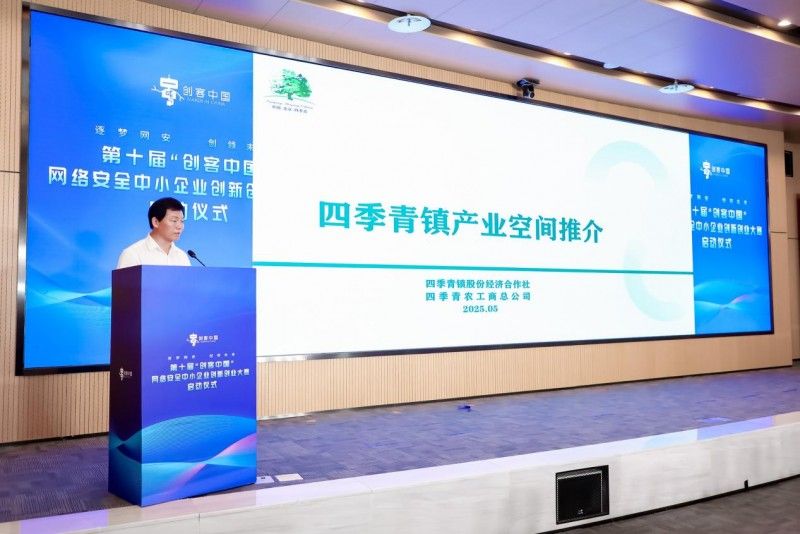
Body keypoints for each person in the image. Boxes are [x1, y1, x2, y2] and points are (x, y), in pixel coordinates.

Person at [116, 197, 191, 269]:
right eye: (174, 220)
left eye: (182, 221)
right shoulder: (133, 254)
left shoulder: (182, 257)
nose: (179, 226)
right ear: (155, 222)